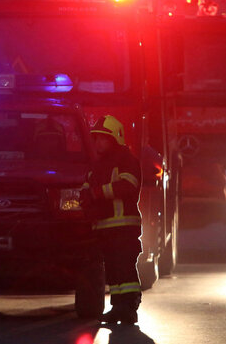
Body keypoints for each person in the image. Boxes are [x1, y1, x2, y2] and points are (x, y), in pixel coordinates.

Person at [82, 115, 143, 324]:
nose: (98, 142)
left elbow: (128, 185)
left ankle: (130, 306)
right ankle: (118, 307)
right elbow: (87, 187)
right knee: (113, 271)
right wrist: (85, 198)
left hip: (124, 226)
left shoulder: (126, 160)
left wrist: (98, 193)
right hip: (104, 227)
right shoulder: (97, 165)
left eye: (103, 138)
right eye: (96, 138)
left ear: (115, 138)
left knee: (124, 267)